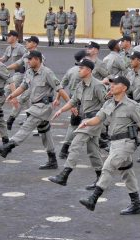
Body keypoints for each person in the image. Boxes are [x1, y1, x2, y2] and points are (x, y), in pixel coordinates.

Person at [79, 75, 140, 215]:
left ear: (124, 88)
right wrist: (86, 122)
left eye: (115, 84)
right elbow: (98, 118)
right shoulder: (108, 104)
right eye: (111, 84)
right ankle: (136, 204)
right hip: (114, 143)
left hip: (127, 143)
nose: (112, 86)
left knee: (108, 167)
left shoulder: (132, 106)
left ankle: (93, 199)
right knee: (127, 173)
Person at [0, 51, 70, 171]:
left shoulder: (47, 72)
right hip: (35, 106)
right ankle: (52, 160)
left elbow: (60, 89)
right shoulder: (29, 72)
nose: (28, 61)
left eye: (30, 59)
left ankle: (7, 147)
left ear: (38, 60)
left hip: (43, 107)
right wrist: (13, 95)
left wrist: (71, 104)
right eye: (27, 59)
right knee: (45, 133)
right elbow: (23, 86)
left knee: (26, 126)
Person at [48, 59, 106, 190]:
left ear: (89, 70)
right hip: (85, 120)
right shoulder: (81, 85)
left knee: (75, 144)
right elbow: (74, 101)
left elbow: (107, 103)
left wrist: (103, 120)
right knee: (93, 151)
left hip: (94, 120)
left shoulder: (98, 85)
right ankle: (101, 180)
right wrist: (61, 110)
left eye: (82, 68)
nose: (79, 70)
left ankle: (64, 175)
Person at [5, 36, 40, 131]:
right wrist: (6, 68)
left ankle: (10, 119)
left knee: (22, 99)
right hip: (26, 81)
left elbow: (41, 71)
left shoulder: (39, 56)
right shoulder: (26, 55)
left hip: (35, 83)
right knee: (29, 103)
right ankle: (33, 123)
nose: (26, 43)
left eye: (29, 42)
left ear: (35, 44)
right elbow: (18, 63)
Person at [57, 50, 87, 159]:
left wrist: (57, 98)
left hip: (73, 101)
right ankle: (65, 149)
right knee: (77, 125)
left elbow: (60, 86)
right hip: (81, 102)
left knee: (74, 125)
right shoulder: (84, 71)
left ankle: (65, 149)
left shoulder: (70, 70)